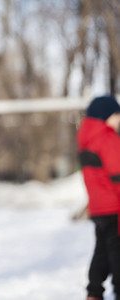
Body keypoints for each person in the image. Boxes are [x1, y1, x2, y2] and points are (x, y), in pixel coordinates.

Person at [77, 95, 120, 300]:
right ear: (106, 116)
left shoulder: (86, 139)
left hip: (98, 208)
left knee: (102, 250)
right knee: (117, 253)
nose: (118, 119)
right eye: (116, 114)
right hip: (114, 206)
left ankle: (94, 291)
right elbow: (118, 175)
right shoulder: (108, 138)